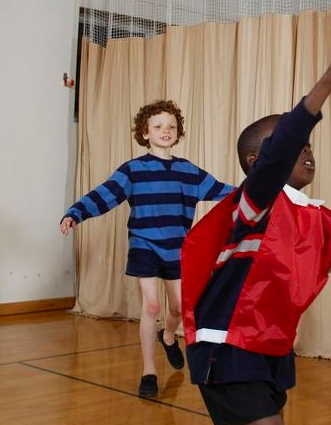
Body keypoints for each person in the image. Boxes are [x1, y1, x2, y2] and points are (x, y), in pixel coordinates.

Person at [180, 7, 331, 425]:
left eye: (309, 146)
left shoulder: (312, 216)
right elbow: (279, 152)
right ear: (257, 163)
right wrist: (327, 81)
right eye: (294, 145)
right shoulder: (252, 204)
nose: (305, 151)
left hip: (271, 347)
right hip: (228, 349)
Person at [60, 99, 235, 398]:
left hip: (178, 248)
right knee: (151, 306)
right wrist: (76, 212)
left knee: (178, 308)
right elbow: (105, 195)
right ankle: (149, 372)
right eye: (158, 126)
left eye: (171, 126)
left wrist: (263, 193)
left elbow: (224, 191)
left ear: (178, 132)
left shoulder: (188, 172)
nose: (165, 131)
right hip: (144, 244)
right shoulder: (133, 170)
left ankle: (167, 336)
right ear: (145, 133)